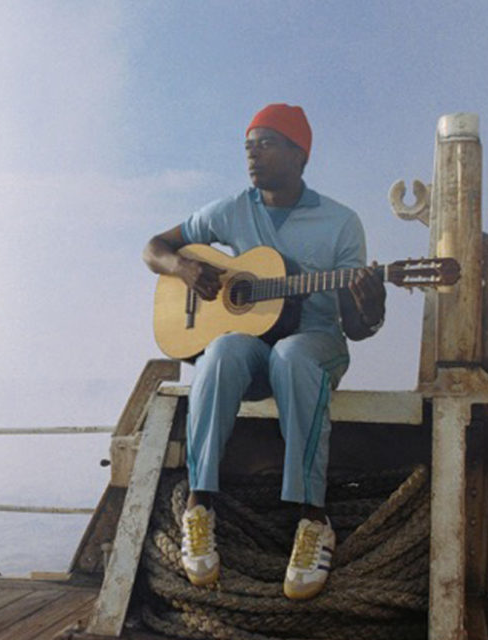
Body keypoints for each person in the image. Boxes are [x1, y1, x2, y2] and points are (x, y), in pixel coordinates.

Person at [142, 103, 386, 600]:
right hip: (253, 346)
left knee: (292, 356)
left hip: (315, 342)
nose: (252, 154)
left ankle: (312, 520)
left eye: (267, 142)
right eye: (248, 145)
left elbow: (358, 330)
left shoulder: (341, 222)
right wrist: (183, 269)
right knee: (223, 349)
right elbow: (154, 247)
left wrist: (371, 301)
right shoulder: (232, 209)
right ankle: (199, 505)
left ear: (300, 155)